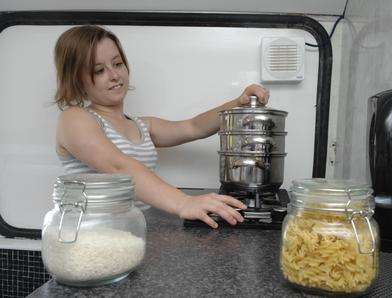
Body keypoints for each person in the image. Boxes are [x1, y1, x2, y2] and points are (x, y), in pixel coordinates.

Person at [54, 25, 270, 228]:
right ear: (77, 80)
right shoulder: (75, 119)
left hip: (132, 235)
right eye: (99, 70)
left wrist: (238, 103)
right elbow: (118, 167)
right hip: (90, 240)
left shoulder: (141, 125)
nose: (114, 75)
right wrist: (184, 202)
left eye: (118, 64)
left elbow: (194, 127)